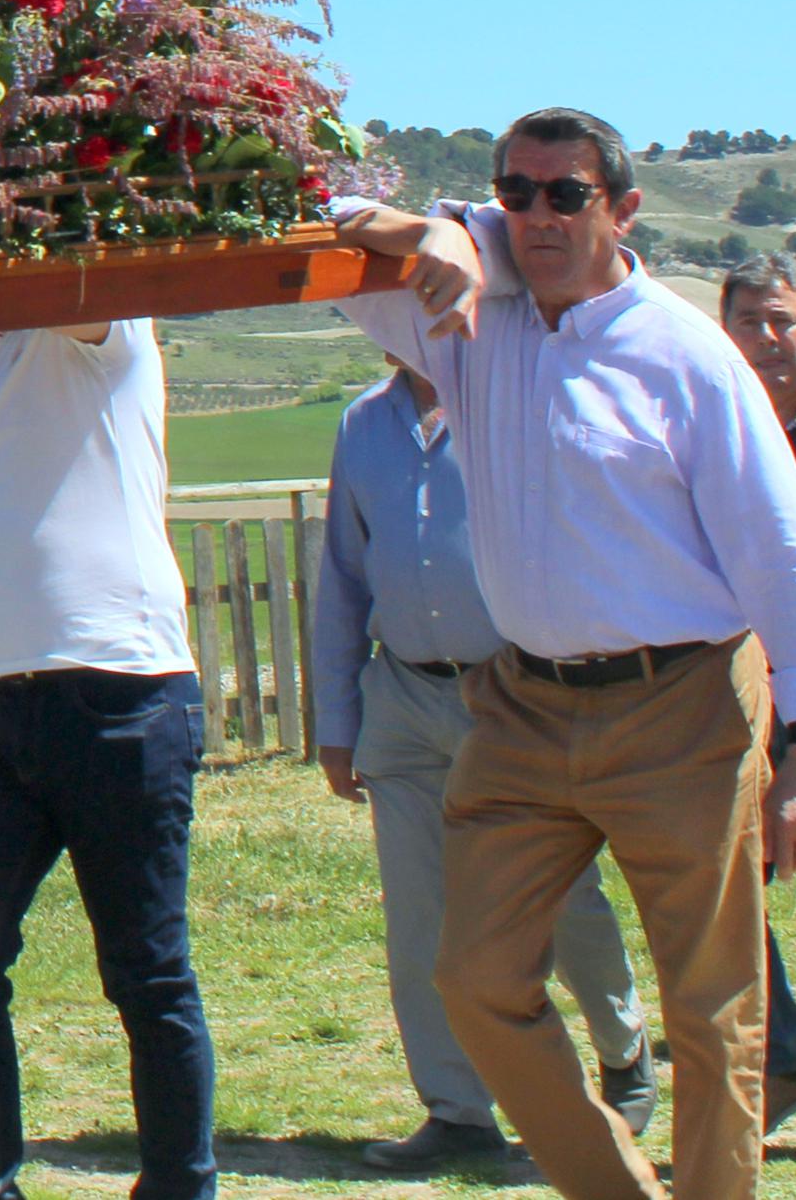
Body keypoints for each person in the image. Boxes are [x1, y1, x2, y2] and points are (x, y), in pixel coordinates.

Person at [329, 111, 796, 1200]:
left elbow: (786, 557)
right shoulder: (459, 315)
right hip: (520, 704)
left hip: (683, 702)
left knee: (709, 1009)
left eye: (564, 194)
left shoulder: (685, 353)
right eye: (512, 193)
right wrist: (429, 229)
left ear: (621, 207)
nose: (537, 216)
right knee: (471, 979)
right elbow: (307, 234)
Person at [311, 357, 655, 1169]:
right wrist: (337, 720)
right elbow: (340, 575)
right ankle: (458, 1110)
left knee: (560, 894)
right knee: (419, 917)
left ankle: (622, 1045)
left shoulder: (513, 402)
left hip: (512, 696)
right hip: (399, 696)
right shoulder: (362, 422)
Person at [0, 311, 214, 1200]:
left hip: (120, 686)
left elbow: (80, 282)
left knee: (146, 968)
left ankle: (177, 1185)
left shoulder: (94, 327)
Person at [718, 256, 796, 1131]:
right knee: (722, 900)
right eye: (744, 322)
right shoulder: (723, 432)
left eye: (777, 318)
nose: (762, 339)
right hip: (744, 710)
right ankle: (787, 1063)